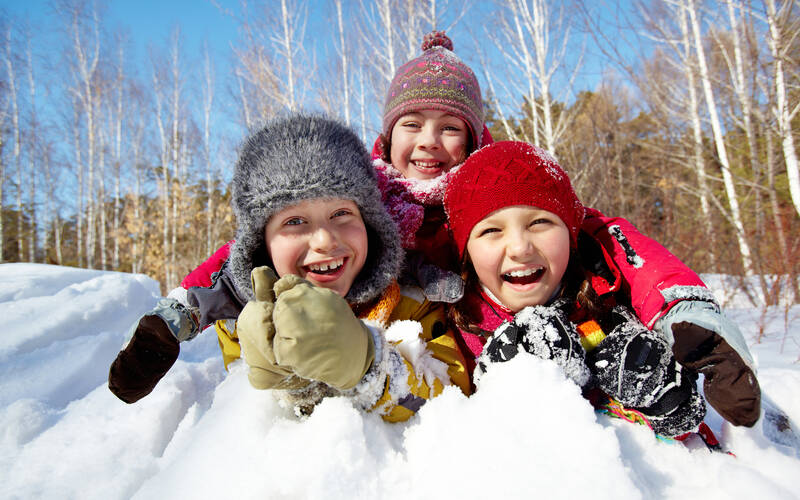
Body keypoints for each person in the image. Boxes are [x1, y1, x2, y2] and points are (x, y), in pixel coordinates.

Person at [115, 31, 759, 428]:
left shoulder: (492, 202)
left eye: (450, 127)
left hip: (453, 346)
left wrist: (683, 311)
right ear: (386, 134)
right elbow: (245, 254)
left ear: (473, 138)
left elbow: (599, 233)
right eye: (412, 123)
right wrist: (179, 314)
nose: (430, 142)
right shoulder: (352, 202)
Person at [108, 113, 469, 421]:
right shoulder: (244, 317)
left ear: (371, 223)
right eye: (295, 221)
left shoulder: (410, 300)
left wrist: (370, 366)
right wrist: (292, 386)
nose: (325, 240)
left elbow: (447, 392)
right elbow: (246, 424)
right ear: (261, 243)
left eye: (342, 213)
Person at [443, 141, 761, 437]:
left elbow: (653, 277)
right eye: (491, 230)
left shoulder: (602, 300)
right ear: (465, 251)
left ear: (571, 233)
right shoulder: (455, 323)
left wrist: (663, 401)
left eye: (539, 223)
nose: (520, 248)